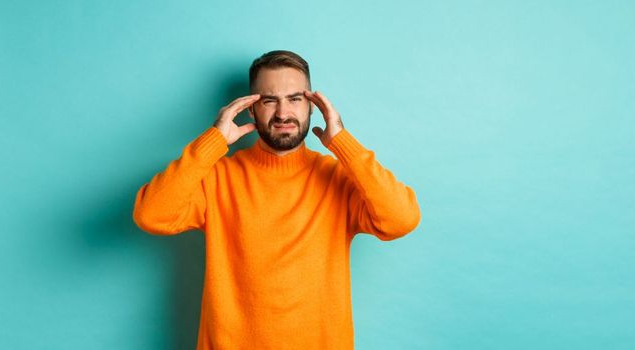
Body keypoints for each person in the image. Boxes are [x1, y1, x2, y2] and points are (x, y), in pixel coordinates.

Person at [133, 49, 421, 349]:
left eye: (295, 99)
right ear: (250, 109)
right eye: (270, 100)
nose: (283, 113)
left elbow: (401, 219)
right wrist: (213, 141)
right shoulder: (217, 177)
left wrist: (342, 142)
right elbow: (151, 215)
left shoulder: (338, 178)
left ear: (313, 107)